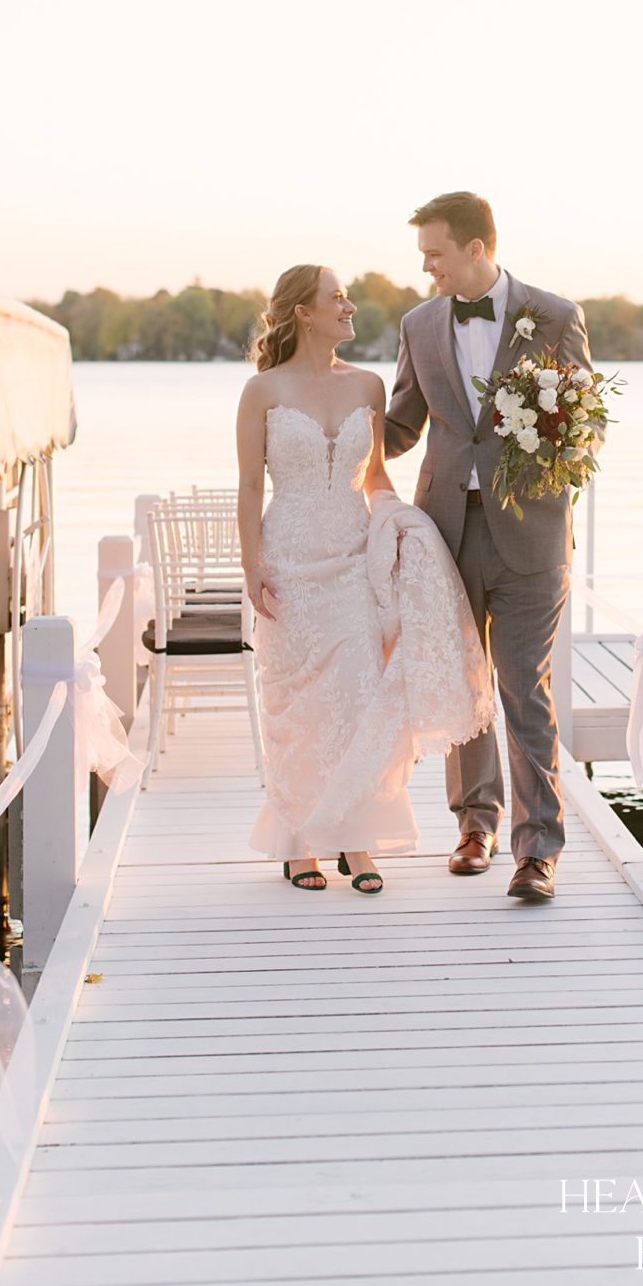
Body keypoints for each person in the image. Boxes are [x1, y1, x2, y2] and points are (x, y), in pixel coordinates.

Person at [236, 265, 491, 893]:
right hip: (288, 562)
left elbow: (374, 476)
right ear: (304, 312)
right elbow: (248, 486)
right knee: (296, 706)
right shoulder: (261, 391)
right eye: (338, 297)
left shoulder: (369, 386)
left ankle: (356, 841)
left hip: (353, 560)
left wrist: (401, 526)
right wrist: (251, 565)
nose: (349, 306)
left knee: (358, 696)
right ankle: (299, 842)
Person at [384, 190, 602, 901]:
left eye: (435, 254)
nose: (427, 268)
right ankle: (474, 825)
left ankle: (537, 850)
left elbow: (590, 421)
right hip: (445, 531)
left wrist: (562, 446)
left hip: (532, 531)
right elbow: (402, 424)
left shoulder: (556, 316)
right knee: (462, 686)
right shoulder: (418, 324)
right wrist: (330, 425)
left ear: (475, 248)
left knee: (523, 687)